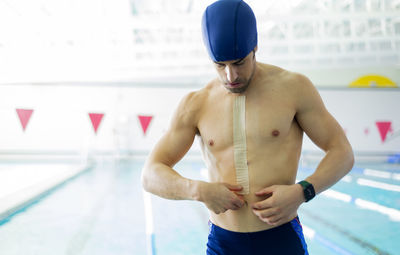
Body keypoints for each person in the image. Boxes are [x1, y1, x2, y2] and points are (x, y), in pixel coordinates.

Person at [141, 0, 354, 254]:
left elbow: (342, 152)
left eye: (239, 62)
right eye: (220, 65)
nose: (230, 76)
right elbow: (150, 174)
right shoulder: (196, 103)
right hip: (223, 242)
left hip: (281, 239)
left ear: (255, 47)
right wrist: (198, 190)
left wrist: (302, 192)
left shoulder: (294, 88)